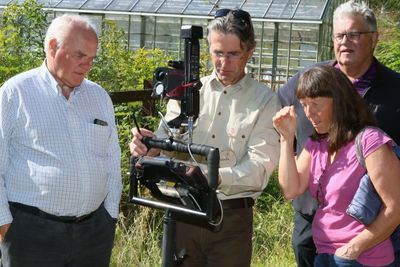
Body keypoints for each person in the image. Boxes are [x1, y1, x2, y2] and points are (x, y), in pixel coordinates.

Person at [130, 8, 280, 267]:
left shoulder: (265, 102)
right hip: (183, 211)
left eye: (234, 54)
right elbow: (167, 140)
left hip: (229, 220)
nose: (224, 63)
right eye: (217, 53)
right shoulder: (188, 90)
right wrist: (151, 147)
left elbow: (259, 169)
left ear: (250, 51)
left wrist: (215, 177)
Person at [277, 1, 400, 266]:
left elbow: (394, 204)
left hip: (368, 229)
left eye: (354, 34)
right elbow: (273, 113)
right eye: (339, 35)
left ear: (374, 38)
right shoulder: (308, 80)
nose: (345, 41)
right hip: (314, 218)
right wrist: (287, 141)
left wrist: (356, 246)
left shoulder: (395, 90)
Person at [0, 14, 122, 267]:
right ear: (53, 47)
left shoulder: (99, 97)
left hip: (93, 232)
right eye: (80, 56)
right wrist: (3, 221)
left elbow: (112, 159)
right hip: (31, 233)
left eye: (91, 58)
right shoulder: (15, 93)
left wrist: (110, 215)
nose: (87, 65)